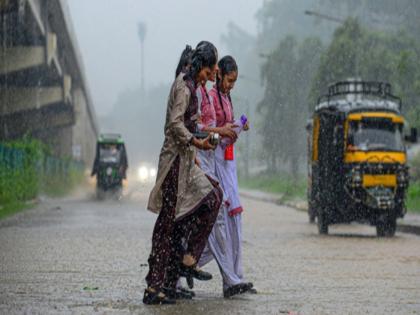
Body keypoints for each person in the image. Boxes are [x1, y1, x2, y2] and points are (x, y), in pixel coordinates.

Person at [144, 41, 223, 305]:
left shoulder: (194, 87)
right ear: (201, 66)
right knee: (168, 223)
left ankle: (187, 259)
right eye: (209, 70)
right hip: (174, 163)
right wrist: (195, 141)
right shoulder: (183, 86)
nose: (210, 76)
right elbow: (175, 124)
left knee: (212, 197)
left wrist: (206, 138)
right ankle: (155, 286)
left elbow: (191, 124)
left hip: (188, 162)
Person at [203, 55, 255, 298]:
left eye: (234, 82)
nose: (231, 85)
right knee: (219, 223)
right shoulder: (211, 98)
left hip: (229, 164)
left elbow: (224, 128)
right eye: (229, 80)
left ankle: (236, 276)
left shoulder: (226, 98)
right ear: (219, 75)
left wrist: (237, 126)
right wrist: (224, 130)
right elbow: (205, 129)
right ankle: (228, 278)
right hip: (215, 163)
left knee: (234, 221)